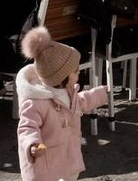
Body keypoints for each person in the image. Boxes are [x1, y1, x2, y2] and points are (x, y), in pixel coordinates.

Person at [16, 26, 109, 181]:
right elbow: (27, 126)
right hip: (44, 159)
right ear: (61, 77)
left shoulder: (67, 91)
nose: (79, 72)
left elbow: (80, 102)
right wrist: (32, 144)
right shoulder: (36, 101)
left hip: (66, 152)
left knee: (71, 174)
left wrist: (99, 94)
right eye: (75, 71)